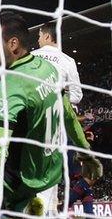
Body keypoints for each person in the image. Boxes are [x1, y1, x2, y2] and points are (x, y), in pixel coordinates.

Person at [0, 11, 100, 216]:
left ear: (13, 44)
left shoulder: (10, 86)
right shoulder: (49, 69)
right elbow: (68, 114)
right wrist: (86, 153)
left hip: (24, 176)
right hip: (51, 169)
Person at [31, 22, 89, 216]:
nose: (38, 39)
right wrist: (58, 96)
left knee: (36, 174)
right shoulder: (67, 60)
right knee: (51, 174)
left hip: (32, 122)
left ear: (47, 36)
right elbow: (77, 96)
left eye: (39, 35)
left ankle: (40, 213)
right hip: (57, 123)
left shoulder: (31, 58)